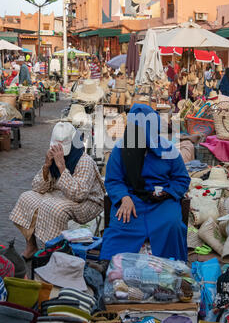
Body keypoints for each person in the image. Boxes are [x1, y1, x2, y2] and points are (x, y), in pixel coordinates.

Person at [100, 104, 191, 262]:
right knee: (121, 225)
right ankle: (114, 269)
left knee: (172, 224)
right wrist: (124, 197)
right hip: (132, 199)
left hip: (161, 201)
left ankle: (171, 270)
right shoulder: (121, 149)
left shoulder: (168, 149)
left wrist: (167, 192)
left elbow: (182, 179)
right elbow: (113, 180)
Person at [10, 122, 106, 259]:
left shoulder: (84, 161)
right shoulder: (53, 155)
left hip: (88, 201)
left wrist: (61, 167)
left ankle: (56, 254)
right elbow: (37, 187)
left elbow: (78, 195)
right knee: (26, 198)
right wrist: (46, 167)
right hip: (62, 193)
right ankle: (31, 246)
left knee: (55, 208)